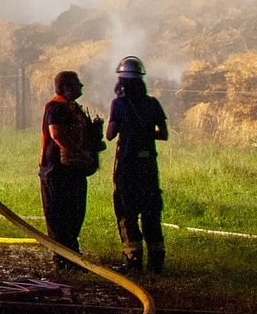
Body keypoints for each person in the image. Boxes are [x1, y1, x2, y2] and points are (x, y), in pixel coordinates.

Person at [106, 56, 169, 274]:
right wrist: (144, 132)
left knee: (126, 211)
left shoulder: (118, 104)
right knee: (151, 211)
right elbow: (164, 134)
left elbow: (110, 134)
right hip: (149, 166)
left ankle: (132, 259)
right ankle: (156, 261)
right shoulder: (153, 103)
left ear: (120, 82)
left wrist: (127, 129)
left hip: (127, 165)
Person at [40, 70, 100, 271]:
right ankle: (62, 258)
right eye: (77, 84)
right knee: (58, 214)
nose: (81, 87)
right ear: (65, 87)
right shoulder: (55, 108)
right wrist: (79, 151)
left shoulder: (74, 108)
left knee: (75, 213)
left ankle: (72, 253)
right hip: (56, 171)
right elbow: (56, 135)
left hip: (74, 171)